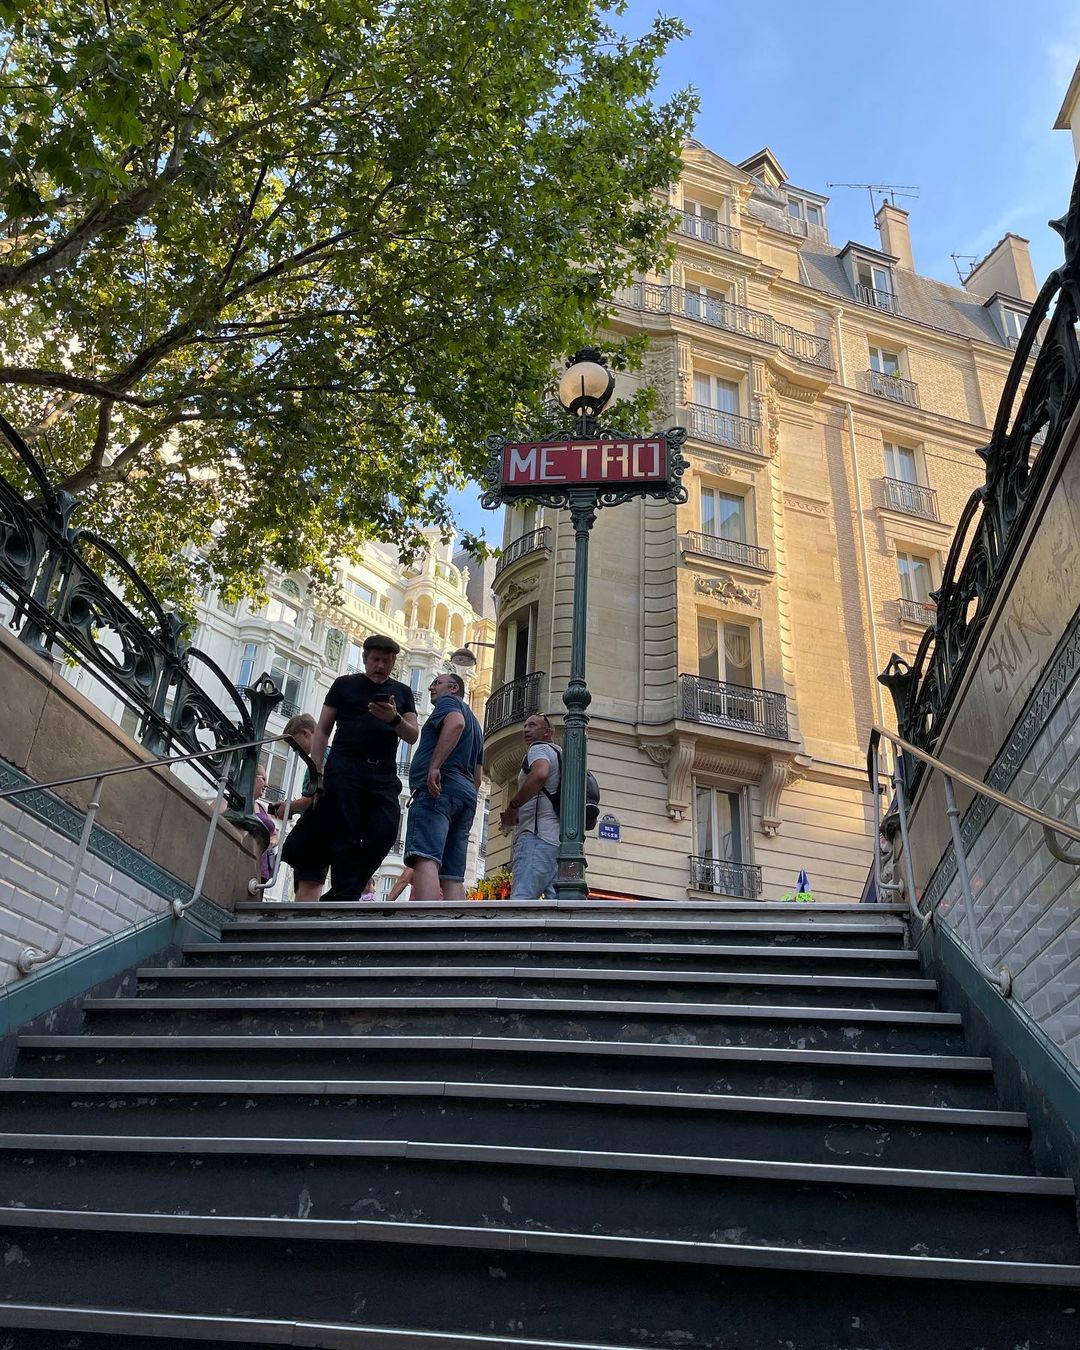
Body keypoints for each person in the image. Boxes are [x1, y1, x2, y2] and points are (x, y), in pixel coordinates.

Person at [309, 634, 419, 902]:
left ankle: (342, 893)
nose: (380, 666)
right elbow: (322, 730)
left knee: (386, 829)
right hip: (345, 768)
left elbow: (412, 734)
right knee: (344, 833)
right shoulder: (344, 685)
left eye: (386, 661)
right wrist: (317, 771)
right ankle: (345, 897)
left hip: (382, 772)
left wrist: (394, 718)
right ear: (365, 659)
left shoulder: (403, 692)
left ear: (394, 662)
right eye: (375, 659)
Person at [403, 671, 484, 901]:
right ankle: (454, 921)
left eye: (437, 683)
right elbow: (478, 776)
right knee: (452, 874)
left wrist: (435, 766)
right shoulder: (476, 726)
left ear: (454, 688)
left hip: (439, 790)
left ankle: (426, 919)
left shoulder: (449, 703)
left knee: (425, 856)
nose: (431, 687)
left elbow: (455, 723)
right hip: (465, 795)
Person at [499, 713, 560, 900]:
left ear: (547, 733)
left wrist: (513, 807)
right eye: (525, 725)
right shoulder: (559, 754)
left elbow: (540, 774)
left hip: (536, 837)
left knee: (521, 900)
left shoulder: (538, 748)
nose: (526, 729)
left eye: (532, 725)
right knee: (557, 904)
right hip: (556, 840)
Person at [269, 713, 326, 901]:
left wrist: (290, 807)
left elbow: (318, 794)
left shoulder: (319, 758)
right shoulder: (325, 756)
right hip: (320, 830)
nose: (296, 751)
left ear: (305, 733)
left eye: (295, 744)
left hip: (316, 831)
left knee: (307, 885)